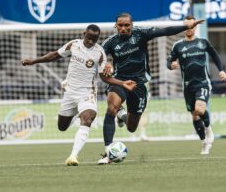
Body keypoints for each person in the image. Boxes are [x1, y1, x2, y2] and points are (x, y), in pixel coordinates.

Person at [21, 24, 136, 166]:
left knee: (87, 119)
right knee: (62, 127)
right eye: (88, 38)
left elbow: (104, 78)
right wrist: (34, 61)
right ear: (84, 34)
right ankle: (76, 114)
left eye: (94, 39)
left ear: (97, 39)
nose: (90, 41)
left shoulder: (100, 53)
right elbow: (55, 55)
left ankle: (73, 156)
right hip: (70, 93)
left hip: (87, 93)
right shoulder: (74, 45)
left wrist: (122, 83)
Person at [98, 12, 204, 164]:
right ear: (116, 25)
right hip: (120, 81)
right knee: (111, 108)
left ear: (132, 25)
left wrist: (185, 26)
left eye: (126, 25)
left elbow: (164, 31)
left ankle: (122, 116)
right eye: (120, 25)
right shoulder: (110, 42)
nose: (123, 28)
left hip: (139, 84)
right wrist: (106, 62)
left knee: (132, 127)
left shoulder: (141, 34)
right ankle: (108, 152)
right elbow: (99, 55)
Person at [167, 15, 226, 155]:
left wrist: (221, 70)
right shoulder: (178, 45)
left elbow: (215, 55)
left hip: (203, 83)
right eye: (186, 26)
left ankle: (208, 129)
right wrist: (172, 65)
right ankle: (204, 143)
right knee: (194, 115)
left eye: (192, 25)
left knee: (199, 109)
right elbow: (168, 62)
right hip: (187, 86)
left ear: (195, 26)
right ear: (183, 27)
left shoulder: (203, 42)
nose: (189, 28)